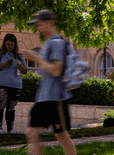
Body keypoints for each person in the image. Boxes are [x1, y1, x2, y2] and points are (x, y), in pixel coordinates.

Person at [22, 10, 76, 155]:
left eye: (39, 24)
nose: (37, 28)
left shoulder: (57, 43)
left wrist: (36, 58)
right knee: (32, 133)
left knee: (61, 135)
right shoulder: (48, 43)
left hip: (55, 98)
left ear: (48, 23)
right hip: (45, 97)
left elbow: (56, 70)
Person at [0, 34, 28, 133]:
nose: (10, 46)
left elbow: (25, 71)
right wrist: (3, 65)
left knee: (11, 107)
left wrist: (23, 68)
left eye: (12, 45)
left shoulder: (19, 55)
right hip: (0, 84)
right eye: (8, 44)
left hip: (15, 85)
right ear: (4, 43)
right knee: (1, 105)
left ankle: (10, 129)